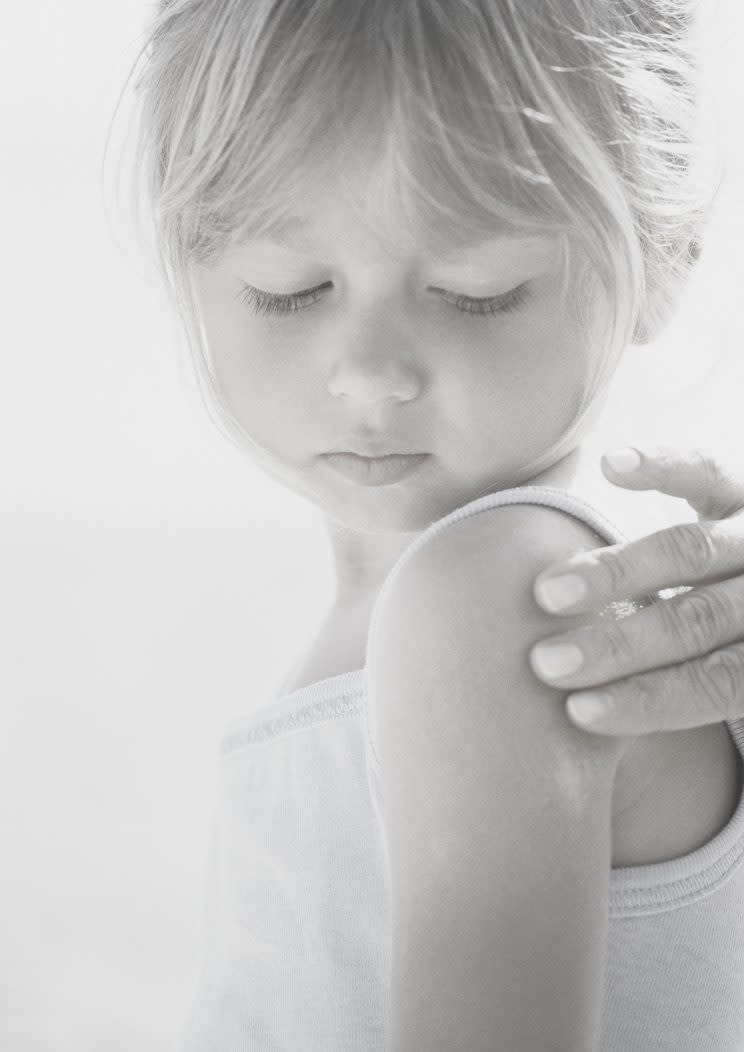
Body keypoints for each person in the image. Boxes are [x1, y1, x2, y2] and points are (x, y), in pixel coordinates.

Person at [121, 0, 744, 1048]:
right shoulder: (419, 599)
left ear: (667, 250)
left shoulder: (494, 597)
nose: (369, 372)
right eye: (290, 289)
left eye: (473, 291)